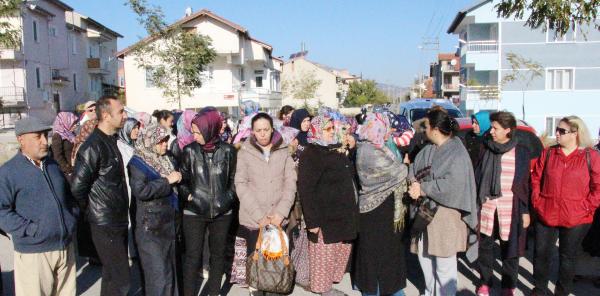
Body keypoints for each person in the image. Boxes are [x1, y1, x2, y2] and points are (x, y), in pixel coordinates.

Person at [0, 117, 78, 296]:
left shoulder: (52, 165)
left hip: (65, 247)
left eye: (45, 135)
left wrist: (71, 218)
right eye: (38, 136)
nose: (45, 141)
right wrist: (30, 230)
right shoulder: (8, 172)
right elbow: (2, 211)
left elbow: (68, 197)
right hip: (33, 253)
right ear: (21, 140)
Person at [408, 107, 478, 296]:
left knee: (444, 268)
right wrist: (414, 183)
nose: (424, 129)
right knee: (425, 259)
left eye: (427, 126)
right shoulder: (427, 149)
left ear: (436, 129)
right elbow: (413, 168)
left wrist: (423, 188)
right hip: (425, 214)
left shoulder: (457, 152)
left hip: (446, 218)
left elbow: (454, 185)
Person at [531, 116, 600, 296]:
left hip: (577, 217)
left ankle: (561, 292)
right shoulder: (548, 153)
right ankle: (539, 290)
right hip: (546, 212)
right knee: (540, 254)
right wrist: (537, 202)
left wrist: (586, 207)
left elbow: (598, 186)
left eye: (562, 131)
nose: (557, 134)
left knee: (568, 258)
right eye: (557, 129)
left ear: (575, 133)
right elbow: (536, 178)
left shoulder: (590, 156)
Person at [71, 96, 130, 296]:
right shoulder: (93, 146)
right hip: (104, 223)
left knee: (112, 277)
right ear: (106, 115)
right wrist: (94, 213)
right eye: (121, 111)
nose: (125, 116)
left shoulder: (111, 140)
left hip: (117, 220)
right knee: (122, 278)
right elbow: (78, 188)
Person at [235, 112, 297, 295]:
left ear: (272, 129)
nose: (262, 134)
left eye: (266, 130)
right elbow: (241, 184)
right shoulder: (245, 152)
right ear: (252, 131)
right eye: (258, 130)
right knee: (257, 273)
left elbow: (290, 183)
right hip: (254, 221)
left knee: (276, 272)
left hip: (278, 221)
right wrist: (260, 216)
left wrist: (281, 213)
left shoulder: (283, 150)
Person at [297, 114, 358, 296]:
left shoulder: (334, 149)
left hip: (341, 216)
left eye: (333, 128)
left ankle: (328, 288)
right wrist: (313, 222)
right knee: (323, 260)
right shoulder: (311, 153)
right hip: (324, 219)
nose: (332, 132)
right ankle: (324, 290)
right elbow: (306, 189)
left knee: (336, 258)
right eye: (328, 129)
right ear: (316, 131)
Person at [178, 107, 237, 296]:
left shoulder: (228, 151)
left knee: (218, 256)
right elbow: (182, 181)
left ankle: (214, 292)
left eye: (197, 132)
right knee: (193, 257)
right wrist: (189, 196)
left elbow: (235, 180)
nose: (194, 136)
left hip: (222, 212)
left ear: (209, 129)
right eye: (192, 132)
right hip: (194, 212)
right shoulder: (189, 151)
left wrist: (226, 200)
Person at [474, 112, 531, 296]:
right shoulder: (485, 148)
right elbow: (477, 176)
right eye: (491, 127)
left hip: (510, 209)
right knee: (485, 249)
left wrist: (525, 211)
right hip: (487, 207)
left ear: (507, 130)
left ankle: (508, 285)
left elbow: (524, 185)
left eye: (495, 128)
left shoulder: (521, 152)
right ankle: (485, 282)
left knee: (510, 250)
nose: (491, 131)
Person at [354, 112, 408, 296]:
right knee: (377, 258)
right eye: (384, 127)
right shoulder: (369, 151)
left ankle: (388, 289)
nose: (387, 131)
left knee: (387, 257)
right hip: (375, 211)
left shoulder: (376, 146)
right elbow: (396, 173)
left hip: (384, 208)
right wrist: (406, 167)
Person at [128, 125, 182, 296]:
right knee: (158, 276)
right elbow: (141, 191)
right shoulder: (137, 163)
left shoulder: (165, 159)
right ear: (150, 141)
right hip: (150, 227)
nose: (165, 145)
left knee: (169, 272)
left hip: (167, 224)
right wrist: (167, 181)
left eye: (166, 141)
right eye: (161, 142)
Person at [51, 112, 79, 177]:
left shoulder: (71, 134)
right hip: (68, 172)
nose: (75, 125)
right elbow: (57, 156)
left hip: (76, 167)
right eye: (73, 123)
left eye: (75, 123)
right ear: (65, 122)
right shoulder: (57, 136)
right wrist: (68, 170)